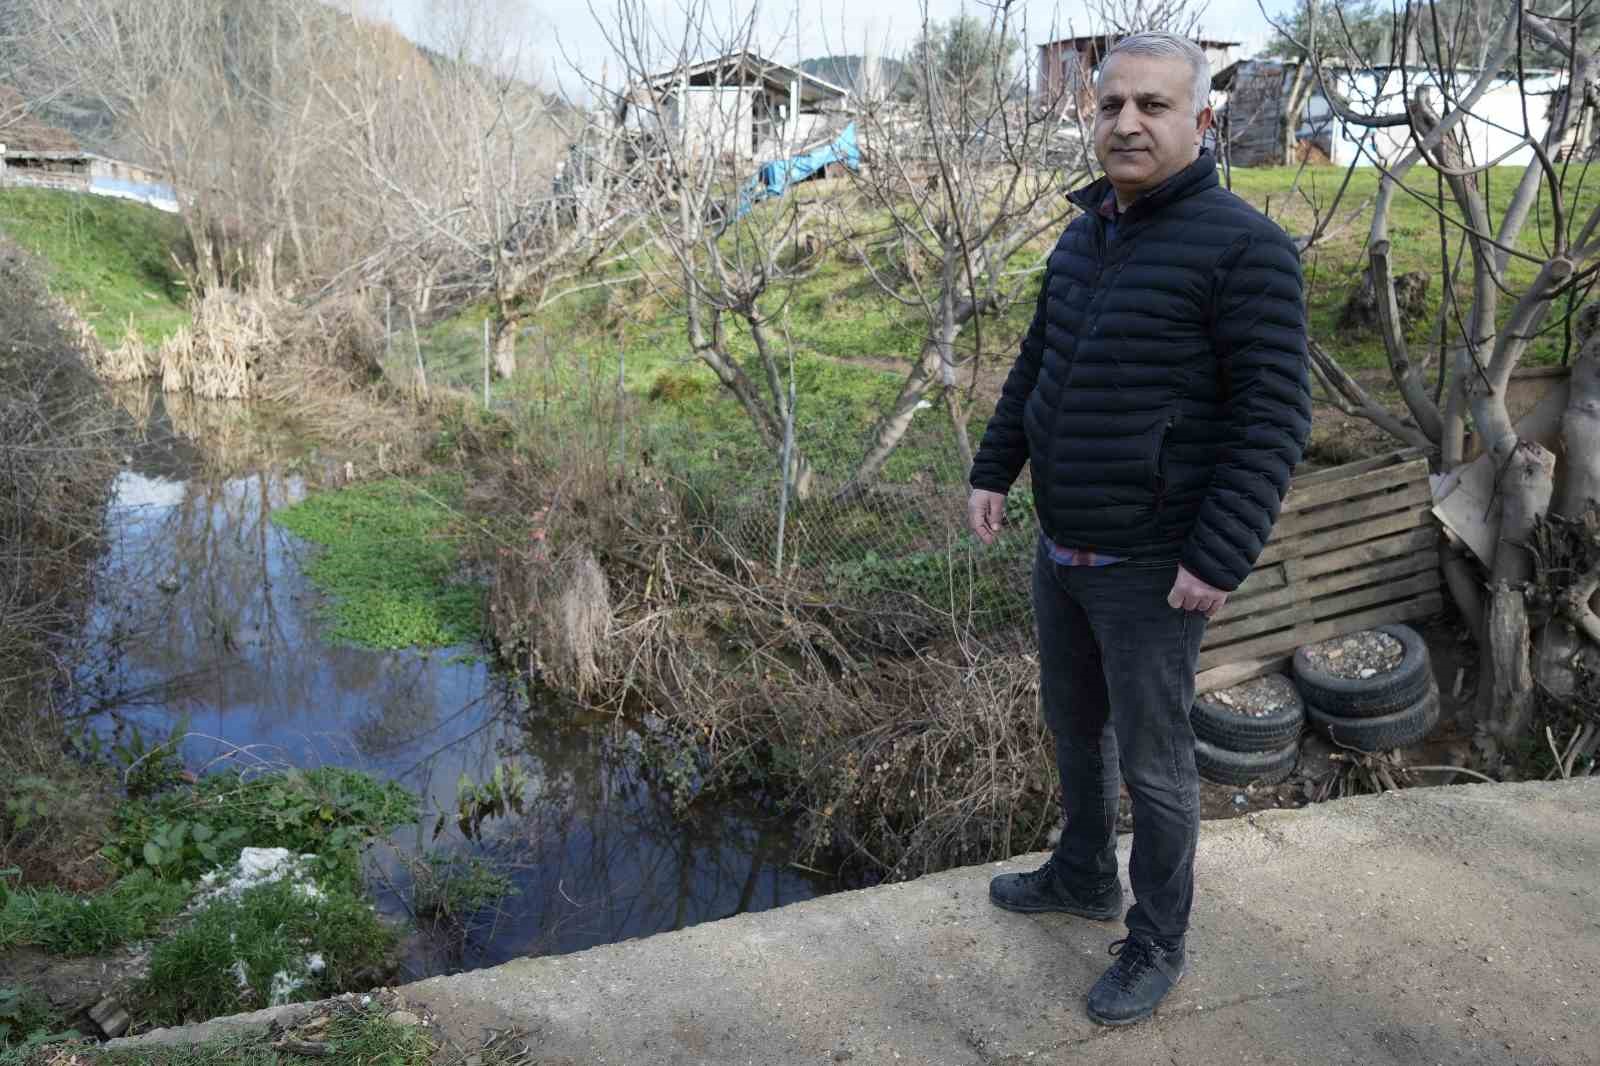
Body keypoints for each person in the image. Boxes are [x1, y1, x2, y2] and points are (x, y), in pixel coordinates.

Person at [966, 31, 1311, 1027]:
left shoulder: (1246, 249)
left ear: (1200, 121)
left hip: (1154, 565)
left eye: (1152, 105)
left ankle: (1157, 938)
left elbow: (1273, 418)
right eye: (1110, 103)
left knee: (1156, 768)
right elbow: (1038, 361)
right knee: (1074, 725)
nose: (1125, 122)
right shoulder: (1084, 234)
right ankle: (1081, 871)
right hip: (1064, 543)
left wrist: (1217, 554)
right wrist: (995, 468)